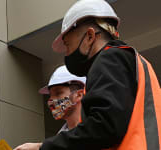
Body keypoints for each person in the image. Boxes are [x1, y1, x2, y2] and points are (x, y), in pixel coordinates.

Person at [15, 0, 161, 150]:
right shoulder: (135, 61)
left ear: (90, 36)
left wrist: (41, 147)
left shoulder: (109, 58)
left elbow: (103, 128)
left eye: (67, 45)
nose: (67, 53)